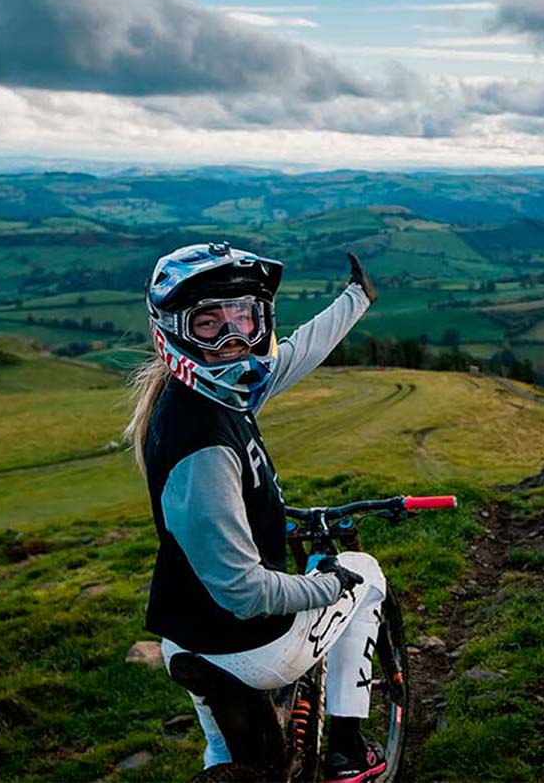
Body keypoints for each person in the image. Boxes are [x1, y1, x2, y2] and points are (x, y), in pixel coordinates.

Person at [125, 242, 387, 782]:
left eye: (245, 317)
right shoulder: (204, 446)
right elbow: (243, 592)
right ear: (171, 330)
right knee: (365, 575)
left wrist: (355, 299)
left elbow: (292, 354)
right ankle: (346, 748)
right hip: (247, 642)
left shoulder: (203, 396)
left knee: (232, 758)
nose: (233, 340)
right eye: (208, 324)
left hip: (186, 635)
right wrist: (325, 584)